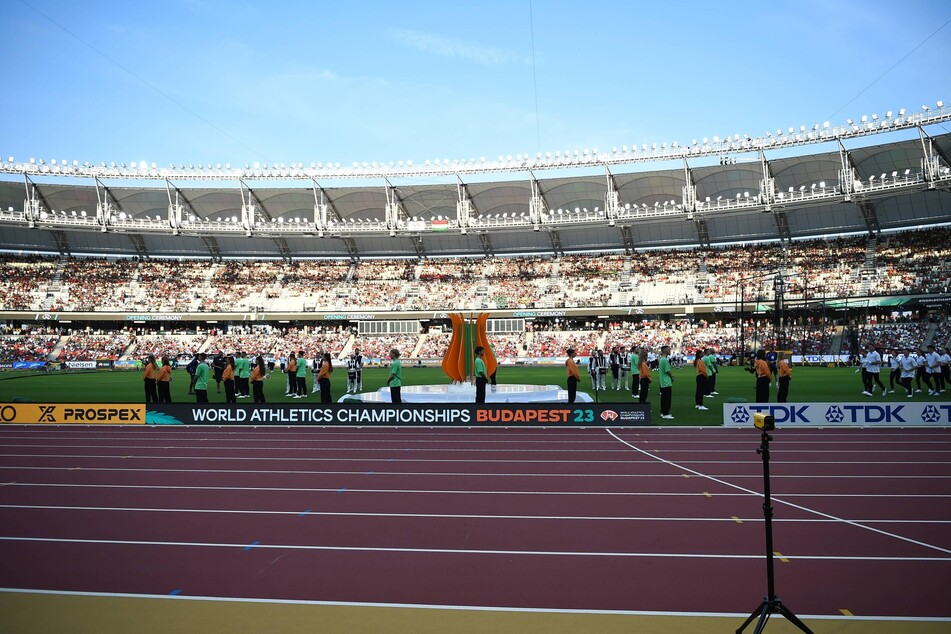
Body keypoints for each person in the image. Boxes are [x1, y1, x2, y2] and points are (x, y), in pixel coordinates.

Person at [658, 345, 674, 419]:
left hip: (663, 382)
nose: (670, 350)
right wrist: (672, 377)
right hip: (666, 382)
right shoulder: (664, 360)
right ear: (664, 351)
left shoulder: (662, 359)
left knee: (664, 398)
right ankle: (665, 413)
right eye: (668, 349)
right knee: (667, 399)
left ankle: (663, 412)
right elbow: (667, 371)